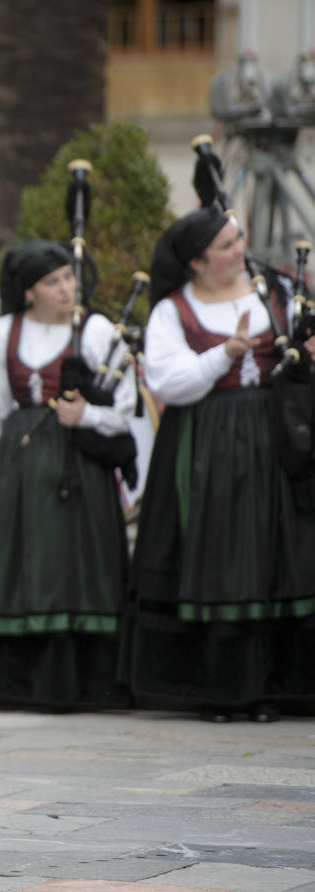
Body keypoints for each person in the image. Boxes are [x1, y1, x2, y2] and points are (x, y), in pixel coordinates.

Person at [0, 241, 134, 709]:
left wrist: (89, 418)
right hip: (19, 466)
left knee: (79, 562)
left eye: (69, 278)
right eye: (53, 281)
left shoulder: (96, 331)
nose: (67, 288)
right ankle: (13, 682)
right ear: (28, 291)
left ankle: (78, 682)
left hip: (81, 467)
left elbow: (127, 408)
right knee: (16, 563)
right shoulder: (7, 333)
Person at [123, 209, 315, 723]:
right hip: (206, 444)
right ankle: (225, 689)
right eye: (226, 245)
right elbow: (167, 382)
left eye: (238, 240)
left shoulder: (273, 291)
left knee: (278, 552)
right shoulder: (173, 310)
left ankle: (283, 685)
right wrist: (222, 354)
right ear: (196, 261)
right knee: (220, 557)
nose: (238, 250)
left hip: (274, 437)